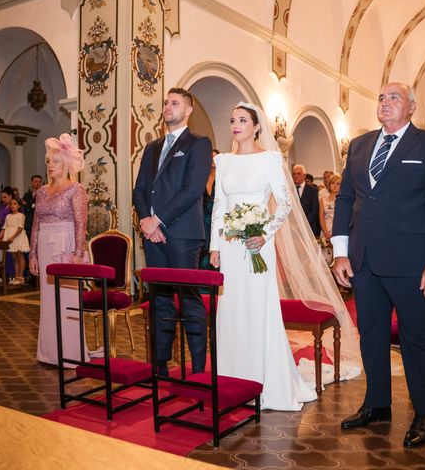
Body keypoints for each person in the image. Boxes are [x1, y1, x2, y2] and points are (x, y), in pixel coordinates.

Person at [209, 103, 360, 411]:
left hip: (257, 243)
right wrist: (215, 247)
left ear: (256, 127)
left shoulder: (270, 159)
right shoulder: (223, 161)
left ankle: (264, 381)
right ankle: (231, 379)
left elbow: (285, 205)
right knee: (231, 309)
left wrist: (264, 233)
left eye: (241, 120)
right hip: (229, 245)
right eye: (232, 120)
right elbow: (218, 208)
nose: (235, 125)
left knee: (256, 308)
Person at [332, 82, 425, 448]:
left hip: (411, 262)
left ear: (411, 107)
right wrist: (341, 251)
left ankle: (422, 414)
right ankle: (377, 404)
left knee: (417, 339)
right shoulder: (359, 145)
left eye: (394, 98)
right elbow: (345, 199)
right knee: (371, 336)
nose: (385, 103)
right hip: (364, 259)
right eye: (381, 98)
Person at [132, 87, 213, 376]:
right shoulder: (152, 147)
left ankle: (199, 366)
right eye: (166, 102)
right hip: (152, 235)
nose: (168, 107)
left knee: (189, 297)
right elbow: (140, 189)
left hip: (183, 234)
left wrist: (158, 220)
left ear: (188, 110)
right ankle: (160, 365)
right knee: (160, 300)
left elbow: (192, 189)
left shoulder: (198, 144)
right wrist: (145, 219)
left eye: (175, 103)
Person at [29, 133, 88, 366]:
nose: (50, 166)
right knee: (48, 299)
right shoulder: (42, 191)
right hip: (44, 244)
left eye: (55, 162)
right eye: (48, 162)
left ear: (66, 165)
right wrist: (32, 254)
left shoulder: (76, 189)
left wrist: (78, 253)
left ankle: (71, 354)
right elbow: (35, 223)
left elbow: (81, 223)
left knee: (67, 298)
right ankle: (49, 353)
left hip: (66, 243)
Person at [0, 198, 30, 285]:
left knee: (20, 256)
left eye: (15, 204)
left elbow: (20, 227)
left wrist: (13, 236)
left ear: (19, 206)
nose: (12, 205)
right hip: (10, 238)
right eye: (11, 204)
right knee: (15, 258)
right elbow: (4, 228)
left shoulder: (21, 215)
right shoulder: (8, 216)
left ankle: (21, 277)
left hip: (18, 237)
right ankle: (16, 278)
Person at [199, 149, 220, 270]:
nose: (212, 161)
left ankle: (214, 288)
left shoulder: (223, 179)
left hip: (216, 222)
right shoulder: (200, 179)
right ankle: (202, 288)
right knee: (201, 256)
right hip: (202, 222)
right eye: (209, 158)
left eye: (215, 158)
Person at [318, 173, 341, 265]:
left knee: (339, 256)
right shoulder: (323, 199)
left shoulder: (344, 199)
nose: (335, 186)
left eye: (337, 184)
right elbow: (321, 217)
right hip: (326, 231)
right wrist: (326, 232)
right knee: (326, 259)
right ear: (329, 184)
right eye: (332, 183)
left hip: (340, 230)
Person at [292, 164, 320, 236]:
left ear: (304, 175)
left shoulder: (313, 190)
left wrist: (304, 222)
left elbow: (315, 209)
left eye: (298, 173)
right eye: (294, 174)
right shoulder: (290, 190)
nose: (296, 176)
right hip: (294, 228)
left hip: (309, 226)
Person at [22, 175, 43, 241]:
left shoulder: (43, 195)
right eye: (35, 181)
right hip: (28, 224)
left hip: (38, 223)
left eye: (39, 182)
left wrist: (29, 205)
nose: (38, 183)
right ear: (32, 182)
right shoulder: (26, 195)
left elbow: (40, 207)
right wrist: (33, 205)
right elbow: (24, 207)